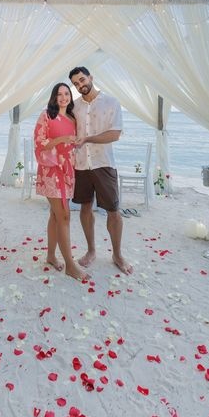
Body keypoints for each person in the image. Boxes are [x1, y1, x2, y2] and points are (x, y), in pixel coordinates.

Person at [68, 66, 134, 274]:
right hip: (80, 165)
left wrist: (87, 139)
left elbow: (114, 134)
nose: (80, 85)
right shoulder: (74, 107)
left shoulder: (111, 102)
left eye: (82, 80)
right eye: (76, 83)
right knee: (85, 208)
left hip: (104, 164)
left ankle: (117, 255)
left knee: (113, 211)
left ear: (90, 77)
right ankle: (91, 251)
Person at [33, 82, 90, 281]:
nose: (64, 97)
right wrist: (61, 140)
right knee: (64, 216)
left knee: (55, 215)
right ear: (54, 97)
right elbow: (39, 142)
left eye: (67, 94)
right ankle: (70, 265)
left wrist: (76, 141)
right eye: (60, 94)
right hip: (51, 170)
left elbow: (76, 142)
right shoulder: (46, 115)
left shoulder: (73, 118)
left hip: (68, 170)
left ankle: (50, 256)